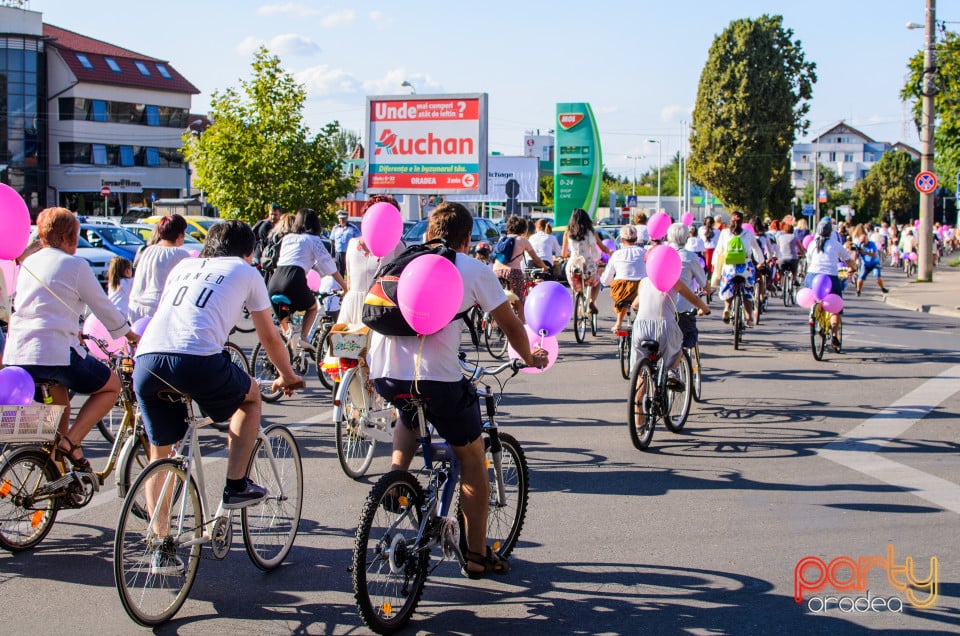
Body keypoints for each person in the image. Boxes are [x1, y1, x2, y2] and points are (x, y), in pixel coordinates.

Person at [369, 201, 548, 579]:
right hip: (438, 379)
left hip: (385, 374)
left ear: (429, 232)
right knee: (471, 457)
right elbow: (511, 326)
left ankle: (396, 481)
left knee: (408, 409)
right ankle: (477, 554)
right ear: (467, 238)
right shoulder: (469, 267)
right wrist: (530, 357)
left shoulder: (400, 260)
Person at [134, 220, 305, 520]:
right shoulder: (246, 271)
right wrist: (287, 375)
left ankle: (159, 541)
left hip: (147, 360)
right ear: (249, 252)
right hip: (197, 359)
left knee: (159, 452)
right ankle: (236, 484)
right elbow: (269, 337)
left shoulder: (183, 266)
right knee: (250, 398)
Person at [3, 207, 138, 472]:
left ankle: (56, 475)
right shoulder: (75, 265)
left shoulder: (30, 262)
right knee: (110, 387)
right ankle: (72, 444)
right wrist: (130, 334)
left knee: (58, 412)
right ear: (68, 237)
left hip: (19, 352)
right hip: (53, 351)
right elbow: (102, 306)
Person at [267, 208, 347, 350]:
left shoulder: (287, 238)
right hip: (294, 280)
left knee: (284, 317)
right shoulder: (313, 239)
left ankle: (288, 344)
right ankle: (303, 339)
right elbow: (329, 265)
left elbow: (298, 260)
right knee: (312, 307)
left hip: (274, 281)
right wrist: (345, 287)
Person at [631, 272, 710, 389]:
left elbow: (634, 305)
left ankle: (638, 406)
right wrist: (705, 309)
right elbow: (694, 299)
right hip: (665, 327)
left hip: (640, 328)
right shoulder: (674, 281)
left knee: (641, 375)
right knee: (678, 348)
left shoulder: (644, 282)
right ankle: (671, 371)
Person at [339, 196, 405, 326]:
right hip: (374, 307)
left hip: (362, 306)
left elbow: (349, 282)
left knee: (350, 344)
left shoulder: (352, 244)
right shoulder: (396, 246)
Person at [804, 217, 855, 351]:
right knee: (835, 307)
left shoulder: (812, 244)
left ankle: (813, 311)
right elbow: (848, 260)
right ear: (830, 232)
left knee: (814, 296)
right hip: (830, 277)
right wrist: (853, 268)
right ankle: (834, 335)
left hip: (812, 276)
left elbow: (809, 261)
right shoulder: (835, 244)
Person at [128, 214, 190, 322]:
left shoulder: (148, 250)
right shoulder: (180, 254)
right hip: (158, 310)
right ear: (180, 235)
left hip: (135, 308)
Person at [711, 211, 765, 326]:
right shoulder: (748, 234)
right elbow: (756, 249)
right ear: (742, 222)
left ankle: (727, 307)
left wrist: (715, 264)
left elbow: (719, 249)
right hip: (745, 267)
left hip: (729, 268)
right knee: (748, 290)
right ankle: (749, 317)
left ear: (731, 221)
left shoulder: (725, 233)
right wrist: (761, 262)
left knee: (728, 287)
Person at [492, 216, 548, 323]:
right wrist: (544, 267)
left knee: (498, 300)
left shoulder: (502, 239)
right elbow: (536, 259)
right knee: (519, 303)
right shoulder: (523, 241)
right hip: (513, 272)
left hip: (496, 272)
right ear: (523, 229)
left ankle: (492, 322)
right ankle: (522, 331)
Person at [667, 222, 711, 352]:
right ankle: (680, 361)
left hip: (661, 307)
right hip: (683, 308)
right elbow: (703, 282)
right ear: (687, 238)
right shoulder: (690, 257)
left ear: (669, 237)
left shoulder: (661, 254)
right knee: (687, 338)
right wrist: (708, 290)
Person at [562, 208, 612, 314]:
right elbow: (603, 248)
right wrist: (611, 253)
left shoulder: (567, 233)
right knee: (597, 283)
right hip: (588, 265)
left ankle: (579, 304)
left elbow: (563, 254)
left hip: (573, 266)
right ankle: (591, 301)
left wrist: (568, 256)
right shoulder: (591, 232)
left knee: (577, 288)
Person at [600, 224, 646, 332]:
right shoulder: (644, 253)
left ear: (621, 240)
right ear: (636, 239)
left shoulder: (616, 254)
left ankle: (618, 322)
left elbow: (608, 276)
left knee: (622, 297)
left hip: (621, 290)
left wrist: (604, 282)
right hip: (640, 290)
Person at [852, 225, 889, 296]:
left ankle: (882, 288)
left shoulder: (872, 244)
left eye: (864, 241)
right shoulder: (859, 244)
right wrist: (853, 263)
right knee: (861, 277)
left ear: (866, 239)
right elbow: (855, 254)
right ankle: (858, 291)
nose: (863, 243)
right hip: (865, 264)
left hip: (874, 263)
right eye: (861, 241)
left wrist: (865, 252)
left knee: (877, 276)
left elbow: (874, 254)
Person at [330, 209, 362, 276]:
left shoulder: (353, 228)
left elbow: (359, 239)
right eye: (340, 218)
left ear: (347, 218)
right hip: (338, 253)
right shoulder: (335, 228)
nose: (342, 220)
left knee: (349, 271)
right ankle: (339, 285)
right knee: (338, 271)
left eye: (343, 218)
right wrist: (332, 254)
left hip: (349, 252)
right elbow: (332, 241)